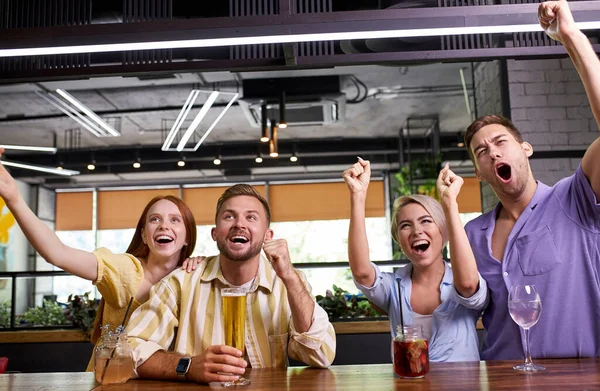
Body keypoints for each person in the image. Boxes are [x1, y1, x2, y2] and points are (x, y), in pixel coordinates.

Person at [462, 0, 600, 360]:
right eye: (481, 152)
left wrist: (570, 37)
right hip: (500, 377)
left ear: (526, 149)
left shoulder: (574, 201)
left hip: (577, 379)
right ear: (479, 172)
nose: (492, 152)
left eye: (500, 142)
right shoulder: (472, 235)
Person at [0, 147, 203, 370]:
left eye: (175, 220)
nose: (164, 225)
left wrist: (204, 264)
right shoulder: (126, 270)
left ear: (187, 237)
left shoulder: (193, 277)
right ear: (144, 235)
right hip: (113, 382)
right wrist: (14, 198)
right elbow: (57, 253)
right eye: (155, 219)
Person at [126, 184, 336, 384]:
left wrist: (289, 276)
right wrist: (188, 366)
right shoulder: (180, 283)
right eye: (229, 216)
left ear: (267, 236)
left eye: (251, 217)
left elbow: (320, 354)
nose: (239, 224)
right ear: (215, 233)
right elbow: (126, 351)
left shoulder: (289, 283)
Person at [342, 158, 488, 362]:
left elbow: (467, 284)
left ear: (444, 233)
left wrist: (450, 203)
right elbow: (362, 273)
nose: (417, 231)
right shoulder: (393, 287)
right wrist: (357, 196)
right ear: (399, 241)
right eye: (405, 226)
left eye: (426, 221)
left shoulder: (465, 278)